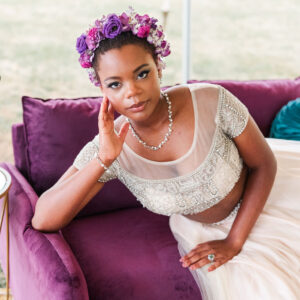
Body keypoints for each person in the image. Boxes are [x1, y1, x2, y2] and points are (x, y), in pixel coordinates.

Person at [31, 7, 300, 299]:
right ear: (102, 90)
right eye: (115, 84)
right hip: (202, 231)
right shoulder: (109, 145)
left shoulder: (212, 100)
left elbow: (264, 165)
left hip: (269, 200)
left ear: (159, 67)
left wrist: (234, 241)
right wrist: (104, 160)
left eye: (142, 74)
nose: (132, 92)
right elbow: (43, 219)